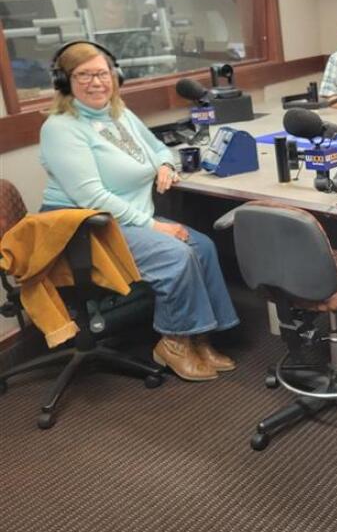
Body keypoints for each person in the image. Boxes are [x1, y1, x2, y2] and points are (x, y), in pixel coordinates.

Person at [39, 41, 240, 382]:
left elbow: (160, 147)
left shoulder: (120, 115)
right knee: (175, 255)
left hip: (126, 218)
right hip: (85, 227)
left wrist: (163, 165)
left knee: (202, 246)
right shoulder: (61, 128)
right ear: (64, 82)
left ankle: (200, 336)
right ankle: (174, 342)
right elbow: (92, 196)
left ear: (114, 76)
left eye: (101, 73)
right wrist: (152, 226)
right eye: (83, 75)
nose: (95, 82)